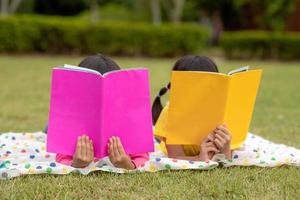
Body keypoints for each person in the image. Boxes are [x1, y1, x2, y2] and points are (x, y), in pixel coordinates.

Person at [46, 54, 149, 169]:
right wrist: (76, 164)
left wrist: (128, 165)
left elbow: (143, 156)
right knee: (50, 127)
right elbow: (61, 157)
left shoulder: (129, 120)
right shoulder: (71, 121)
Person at [152, 55, 232, 162]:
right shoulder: (170, 113)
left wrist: (226, 151)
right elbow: (175, 156)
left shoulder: (221, 110)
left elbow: (227, 152)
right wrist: (199, 158)